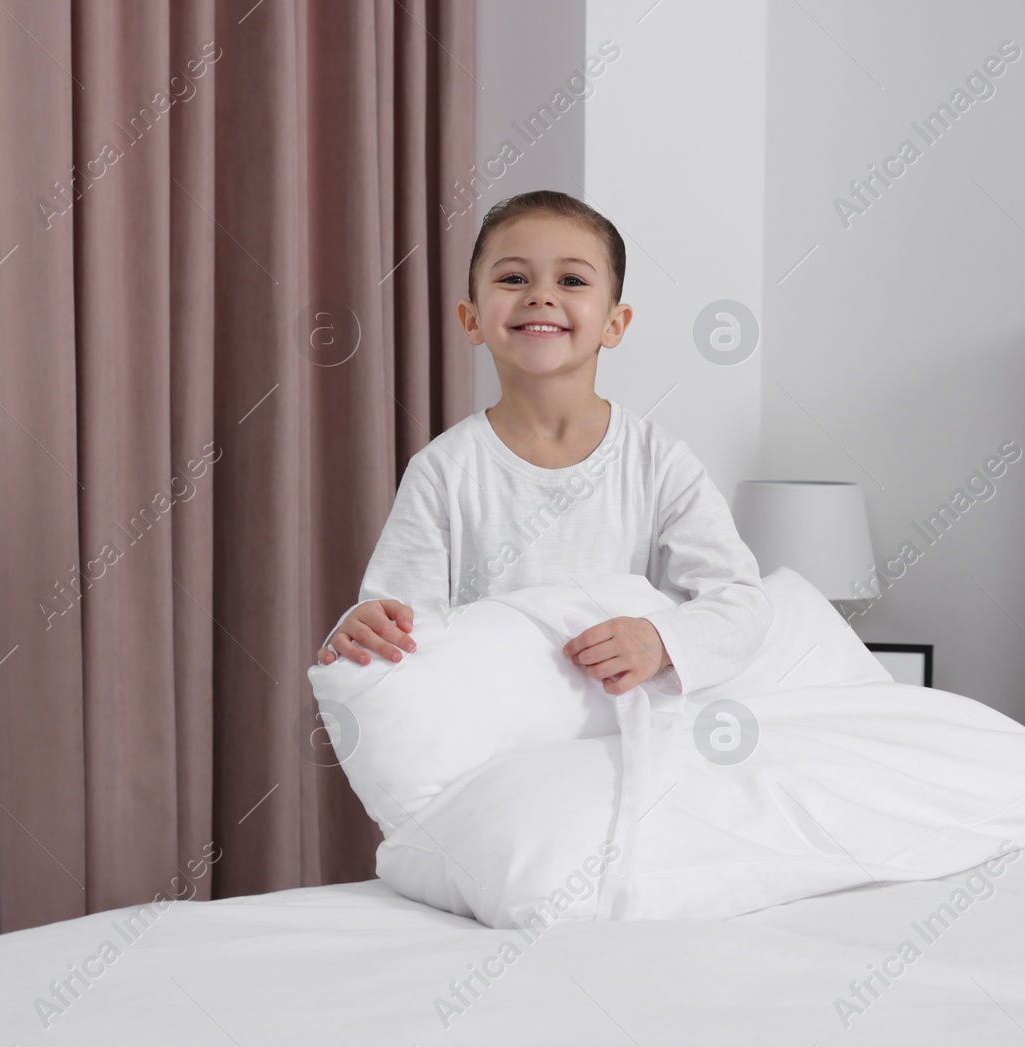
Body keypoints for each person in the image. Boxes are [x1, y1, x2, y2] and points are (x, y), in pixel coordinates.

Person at [315, 190, 771, 696]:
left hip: (623, 732)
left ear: (614, 324)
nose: (540, 296)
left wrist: (658, 639)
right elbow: (401, 625)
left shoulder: (660, 464)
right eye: (513, 278)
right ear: (471, 320)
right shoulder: (442, 470)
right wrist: (369, 627)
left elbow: (741, 605)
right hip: (493, 730)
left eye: (571, 280)